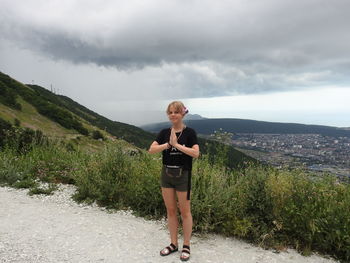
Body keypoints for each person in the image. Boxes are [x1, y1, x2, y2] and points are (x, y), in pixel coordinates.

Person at [148, 101, 200, 261]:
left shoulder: (190, 132)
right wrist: (167, 144)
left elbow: (195, 153)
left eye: (176, 112)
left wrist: (177, 145)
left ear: (183, 114)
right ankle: (173, 244)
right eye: (170, 112)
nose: (173, 115)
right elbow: (151, 150)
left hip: (183, 175)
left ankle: (186, 245)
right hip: (167, 174)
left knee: (185, 212)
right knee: (170, 211)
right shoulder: (164, 132)